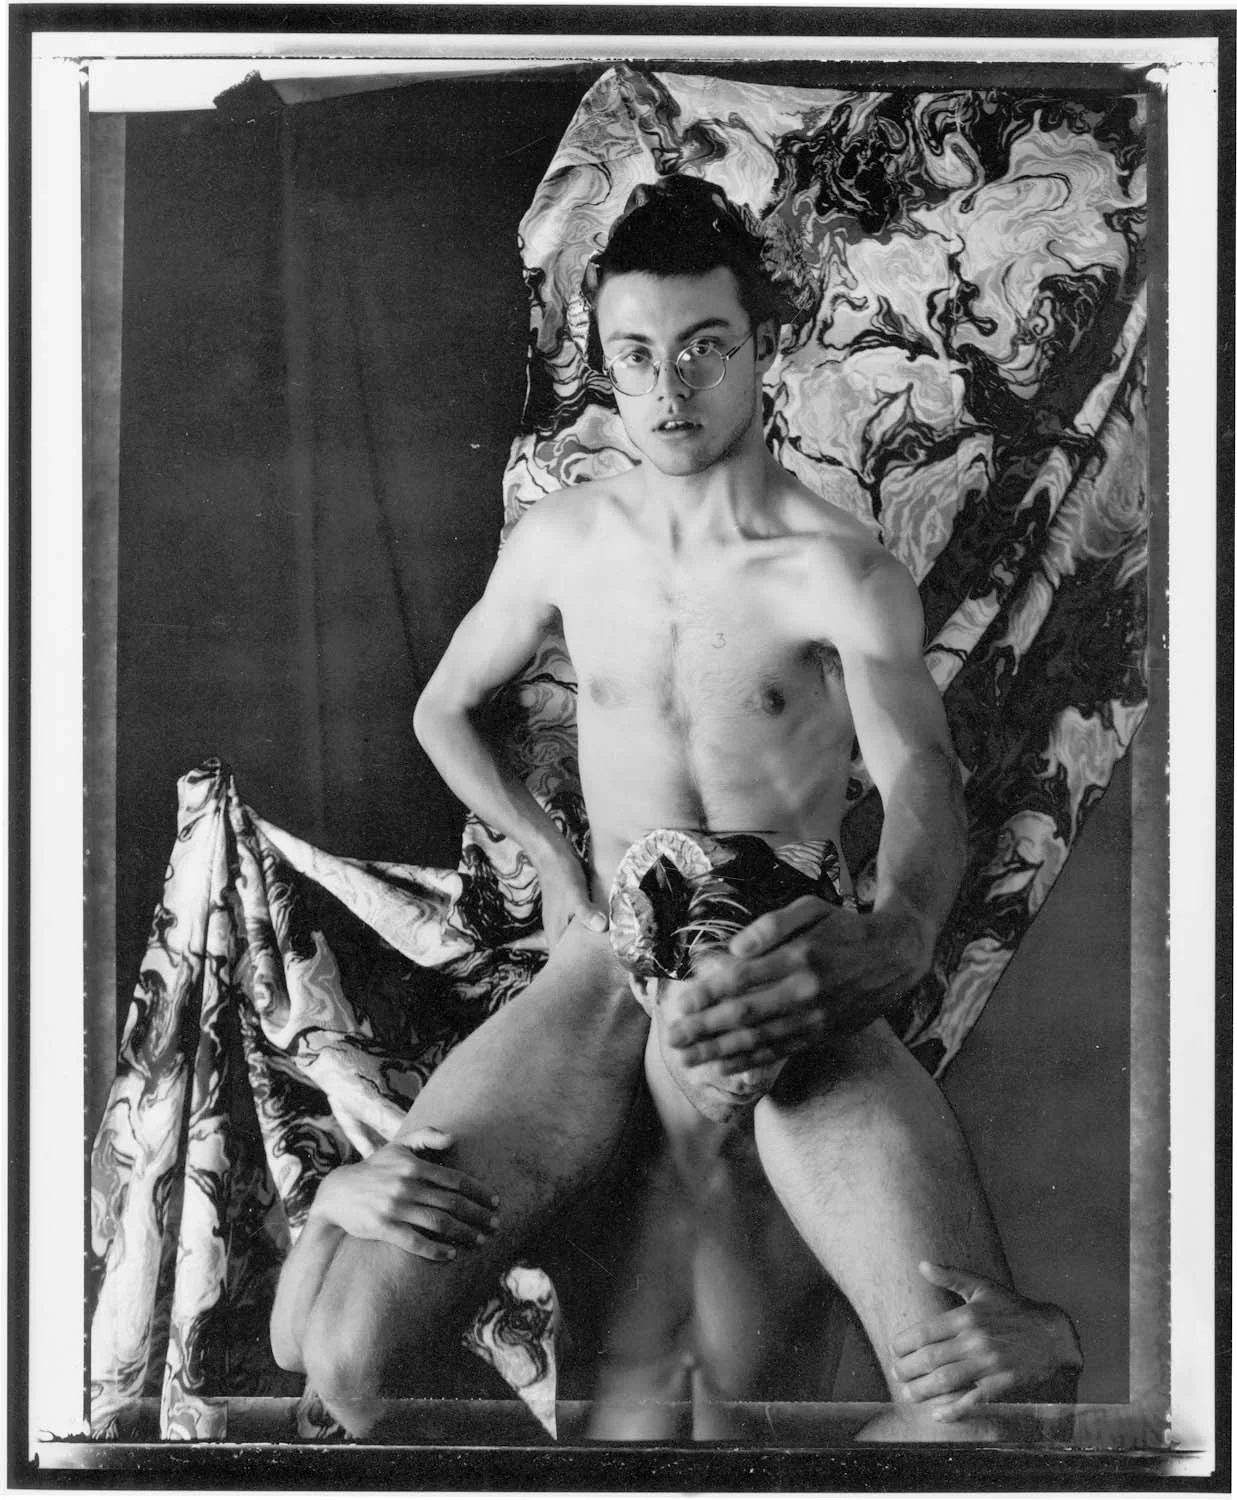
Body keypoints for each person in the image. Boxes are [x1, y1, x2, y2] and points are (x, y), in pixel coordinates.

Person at [271, 176, 1077, 1439]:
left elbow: (922, 772)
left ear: (764, 348)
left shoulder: (835, 567)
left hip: (775, 973)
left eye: (704, 348)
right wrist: (550, 857)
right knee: (347, 1362)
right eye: (636, 355)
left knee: (986, 1407)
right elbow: (445, 710)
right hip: (603, 964)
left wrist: (905, 927)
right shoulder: (563, 538)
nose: (668, 388)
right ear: (603, 359)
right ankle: (332, 1212)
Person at [587, 830, 1082, 1440]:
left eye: (773, 1025)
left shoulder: (847, 1167)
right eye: (715, 1025)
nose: (745, 1072)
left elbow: (973, 1419)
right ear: (646, 987)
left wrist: (1051, 1354)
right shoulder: (581, 1150)